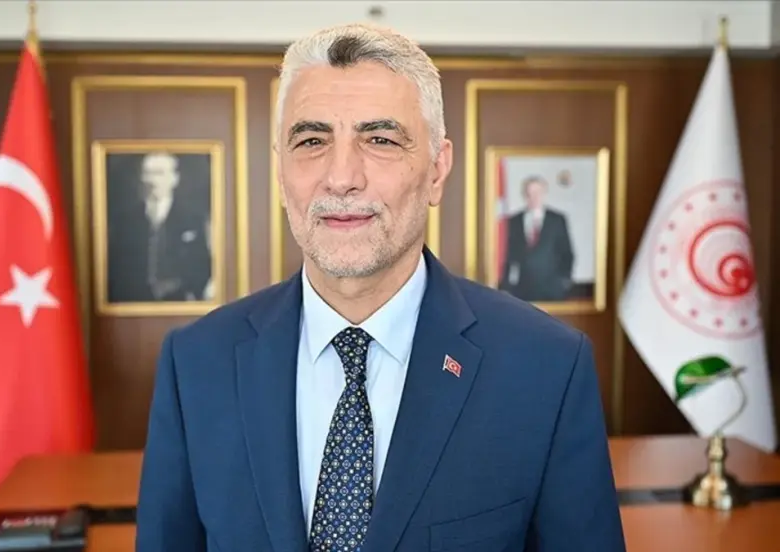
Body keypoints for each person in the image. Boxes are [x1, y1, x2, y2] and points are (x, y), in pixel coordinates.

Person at [135, 23, 626, 552]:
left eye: (380, 140)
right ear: (280, 172)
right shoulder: (196, 365)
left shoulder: (546, 367)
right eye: (312, 141)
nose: (342, 177)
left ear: (437, 170)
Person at [106, 151, 212, 303]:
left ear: (174, 178)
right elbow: (115, 270)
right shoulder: (124, 221)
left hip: (180, 302)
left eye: (159, 173)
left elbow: (203, 266)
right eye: (147, 173)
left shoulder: (193, 219)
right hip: (133, 302)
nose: (152, 180)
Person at [499, 175, 575, 302]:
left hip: (552, 289)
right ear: (524, 195)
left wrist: (563, 282)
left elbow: (567, 253)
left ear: (544, 193)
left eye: (538, 193)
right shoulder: (513, 221)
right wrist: (506, 286)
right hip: (522, 290)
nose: (534, 197)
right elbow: (508, 256)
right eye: (530, 193)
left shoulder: (557, 220)